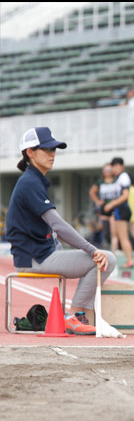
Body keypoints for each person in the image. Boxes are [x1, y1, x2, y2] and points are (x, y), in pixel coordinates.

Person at [5, 127, 116, 330]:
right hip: (34, 258)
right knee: (106, 258)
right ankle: (74, 316)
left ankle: (82, 315)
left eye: (54, 149)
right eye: (46, 149)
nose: (52, 154)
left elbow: (53, 230)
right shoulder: (30, 182)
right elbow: (59, 225)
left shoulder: (34, 180)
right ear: (30, 152)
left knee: (98, 259)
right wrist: (92, 250)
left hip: (37, 254)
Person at [108, 157, 134, 269]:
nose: (113, 169)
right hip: (119, 209)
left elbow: (125, 195)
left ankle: (130, 261)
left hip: (122, 209)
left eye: (115, 167)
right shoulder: (119, 178)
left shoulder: (123, 177)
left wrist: (112, 204)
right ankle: (129, 259)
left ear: (120, 166)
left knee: (123, 237)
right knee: (119, 236)